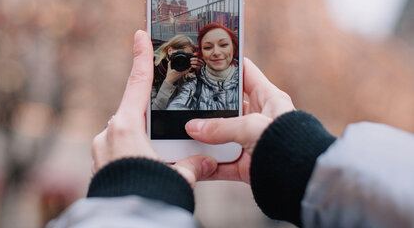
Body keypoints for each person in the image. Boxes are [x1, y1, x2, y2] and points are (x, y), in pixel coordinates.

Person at [50, 31, 414, 228]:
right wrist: (307, 166)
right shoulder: (180, 82)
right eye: (205, 48)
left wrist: (127, 202)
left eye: (221, 45)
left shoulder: (220, 85)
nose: (214, 54)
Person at [167, 23, 239, 110]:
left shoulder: (245, 80)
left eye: (223, 45)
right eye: (208, 47)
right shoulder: (192, 86)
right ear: (202, 54)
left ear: (234, 48)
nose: (216, 52)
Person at [152, 35, 203, 110]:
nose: (181, 60)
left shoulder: (188, 76)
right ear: (169, 51)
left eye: (186, 57)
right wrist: (169, 81)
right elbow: (153, 112)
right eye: (179, 55)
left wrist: (201, 74)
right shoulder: (153, 71)